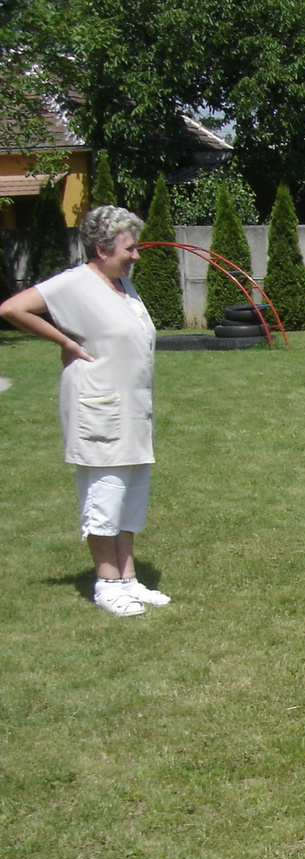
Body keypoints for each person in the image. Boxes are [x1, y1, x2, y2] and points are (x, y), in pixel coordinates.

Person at [0, 205, 166, 616]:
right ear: (101, 247)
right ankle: (107, 583)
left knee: (130, 497)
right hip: (99, 409)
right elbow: (11, 308)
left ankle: (128, 578)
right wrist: (66, 342)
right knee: (105, 496)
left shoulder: (124, 286)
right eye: (129, 248)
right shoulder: (75, 283)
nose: (136, 256)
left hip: (133, 410)